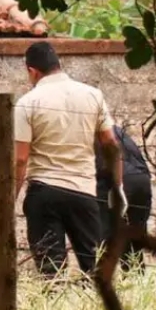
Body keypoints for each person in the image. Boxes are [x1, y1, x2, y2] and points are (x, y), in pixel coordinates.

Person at [14, 41, 126, 279]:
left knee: (50, 270)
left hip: (44, 192)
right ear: (58, 64)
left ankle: (53, 309)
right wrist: (118, 187)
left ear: (31, 71)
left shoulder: (27, 102)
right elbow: (111, 145)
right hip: (83, 192)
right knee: (92, 268)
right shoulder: (93, 95)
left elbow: (20, 159)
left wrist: (10, 198)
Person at [95, 125, 152, 271]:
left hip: (116, 180)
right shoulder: (116, 130)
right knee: (134, 235)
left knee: (102, 235)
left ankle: (96, 280)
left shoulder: (91, 131)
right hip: (142, 181)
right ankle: (136, 276)